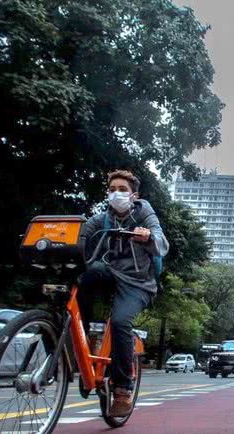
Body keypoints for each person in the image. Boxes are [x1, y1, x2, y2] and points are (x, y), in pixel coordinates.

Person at [79, 170, 169, 416]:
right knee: (81, 280)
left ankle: (123, 388)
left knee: (120, 321)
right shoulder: (102, 220)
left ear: (134, 195)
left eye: (122, 189)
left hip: (138, 284)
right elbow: (82, 236)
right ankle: (81, 345)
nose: (116, 193)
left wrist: (148, 236)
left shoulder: (143, 212)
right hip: (110, 273)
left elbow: (162, 243)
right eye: (112, 189)